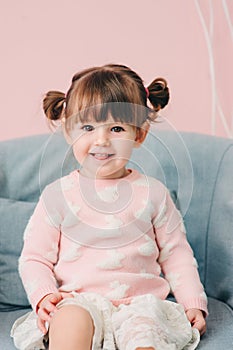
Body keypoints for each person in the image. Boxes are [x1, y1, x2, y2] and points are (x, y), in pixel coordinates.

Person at [11, 64, 208, 350]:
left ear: (138, 135)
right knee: (68, 322)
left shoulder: (153, 193)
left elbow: (177, 255)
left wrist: (193, 303)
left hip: (140, 305)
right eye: (88, 127)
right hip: (79, 301)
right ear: (69, 131)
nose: (101, 140)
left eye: (116, 128)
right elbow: (34, 259)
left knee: (147, 333)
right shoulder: (57, 196)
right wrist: (44, 295)